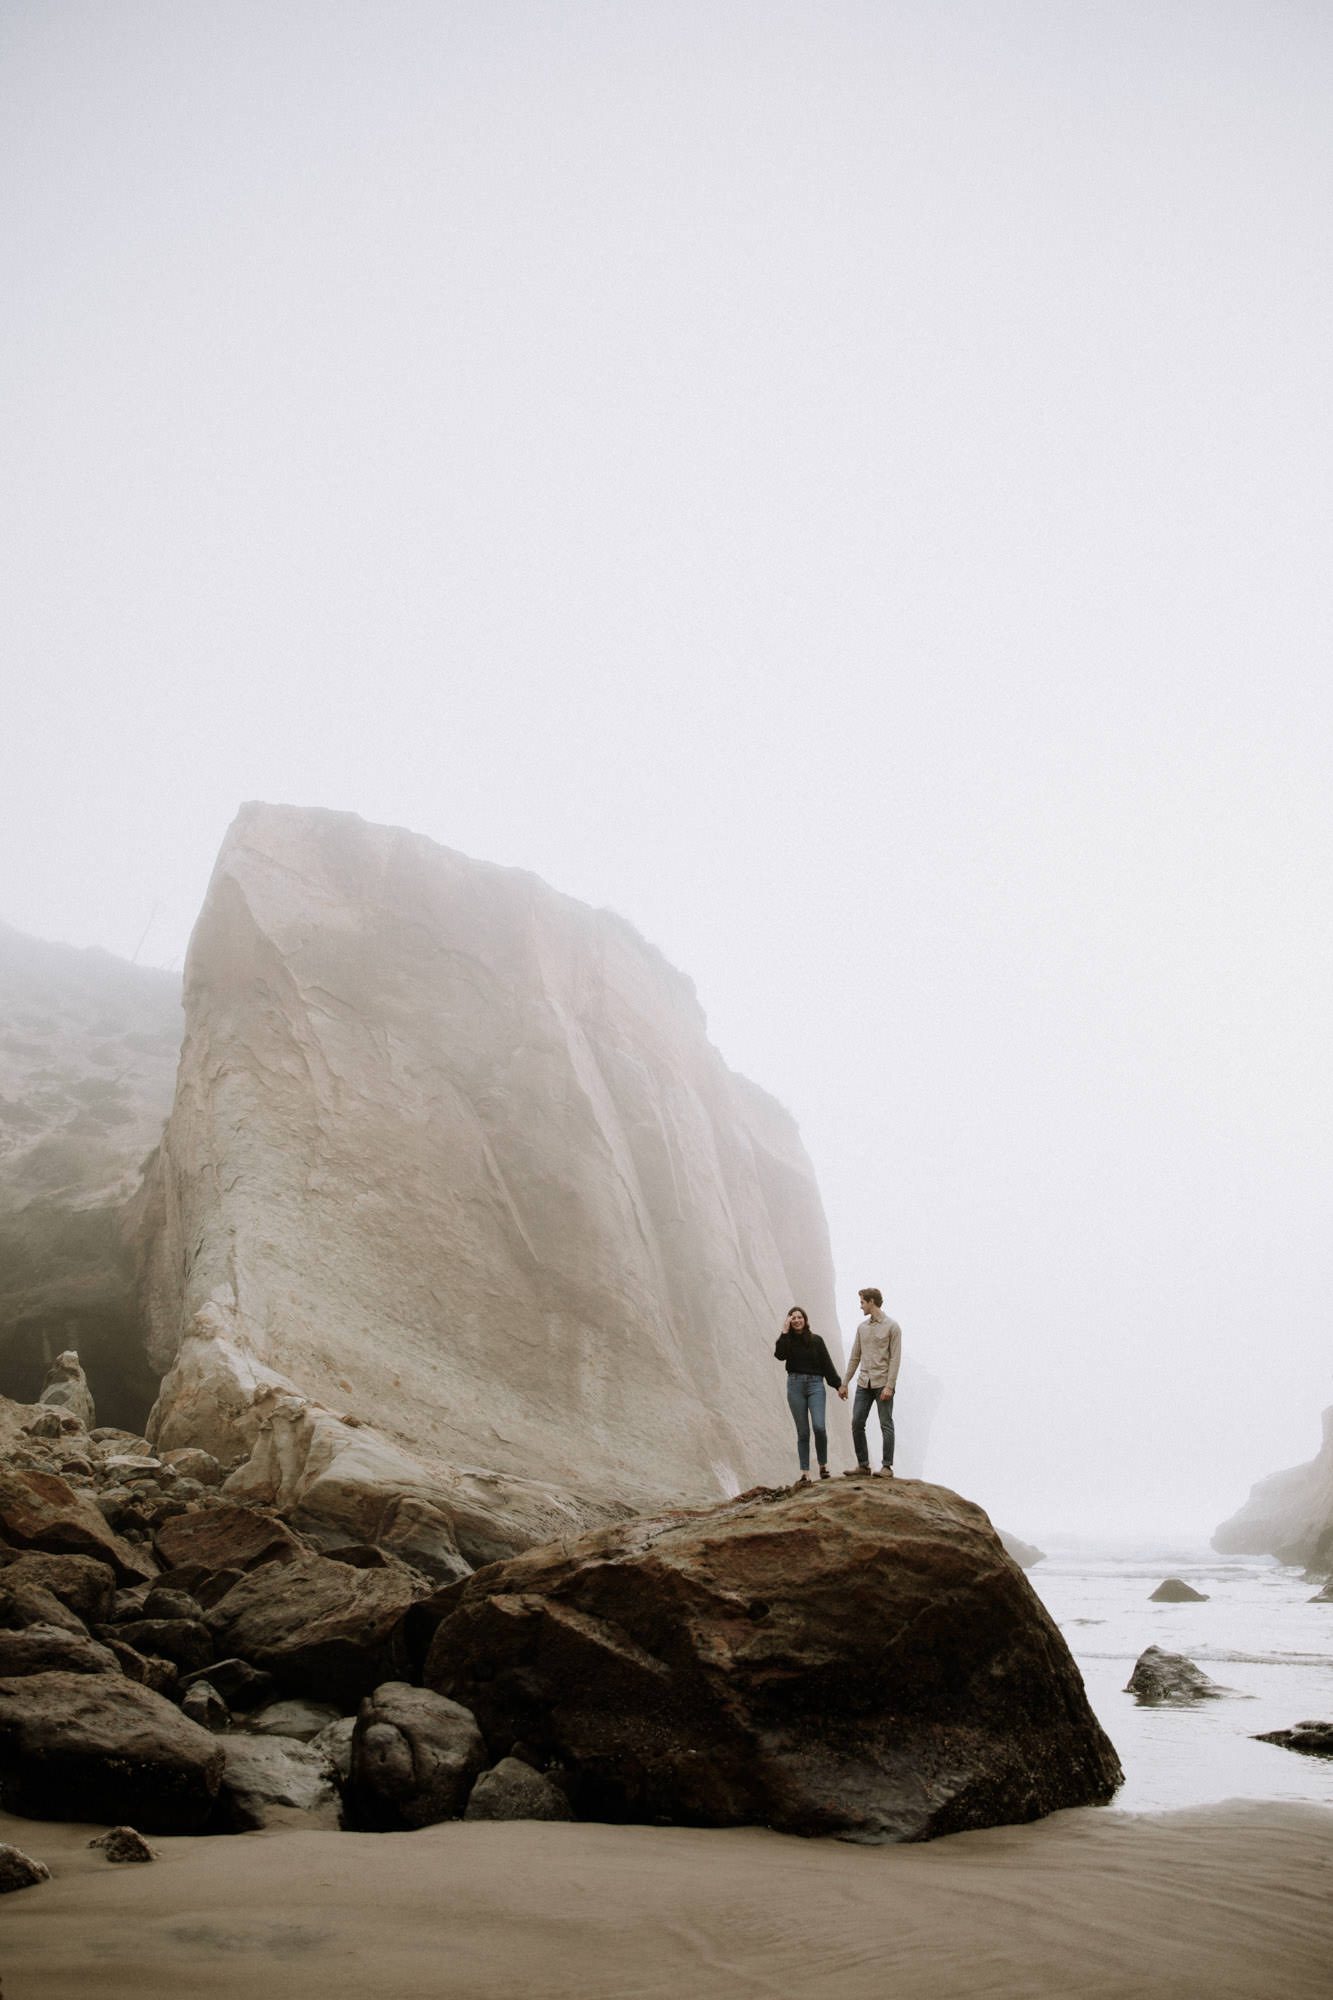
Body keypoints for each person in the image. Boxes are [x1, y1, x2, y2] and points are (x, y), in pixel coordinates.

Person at [837, 1287, 901, 1477]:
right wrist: (844, 1382)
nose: (861, 1306)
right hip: (864, 1383)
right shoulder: (862, 1328)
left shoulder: (892, 1327)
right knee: (857, 1422)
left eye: (862, 1302)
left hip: (883, 1383)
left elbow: (895, 1359)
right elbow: (855, 1357)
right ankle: (863, 1466)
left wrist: (890, 1385)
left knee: (886, 1424)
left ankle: (887, 1467)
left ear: (871, 1301)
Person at [773, 1307, 842, 1484]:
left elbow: (827, 1364)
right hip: (795, 1385)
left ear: (805, 1319)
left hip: (815, 1385)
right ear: (789, 1321)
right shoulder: (787, 1341)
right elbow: (780, 1355)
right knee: (803, 1432)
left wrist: (838, 1385)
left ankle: (823, 1466)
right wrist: (784, 1331)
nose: (797, 1320)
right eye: (793, 1318)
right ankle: (805, 1472)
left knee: (819, 1427)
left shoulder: (816, 1340)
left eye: (800, 1317)